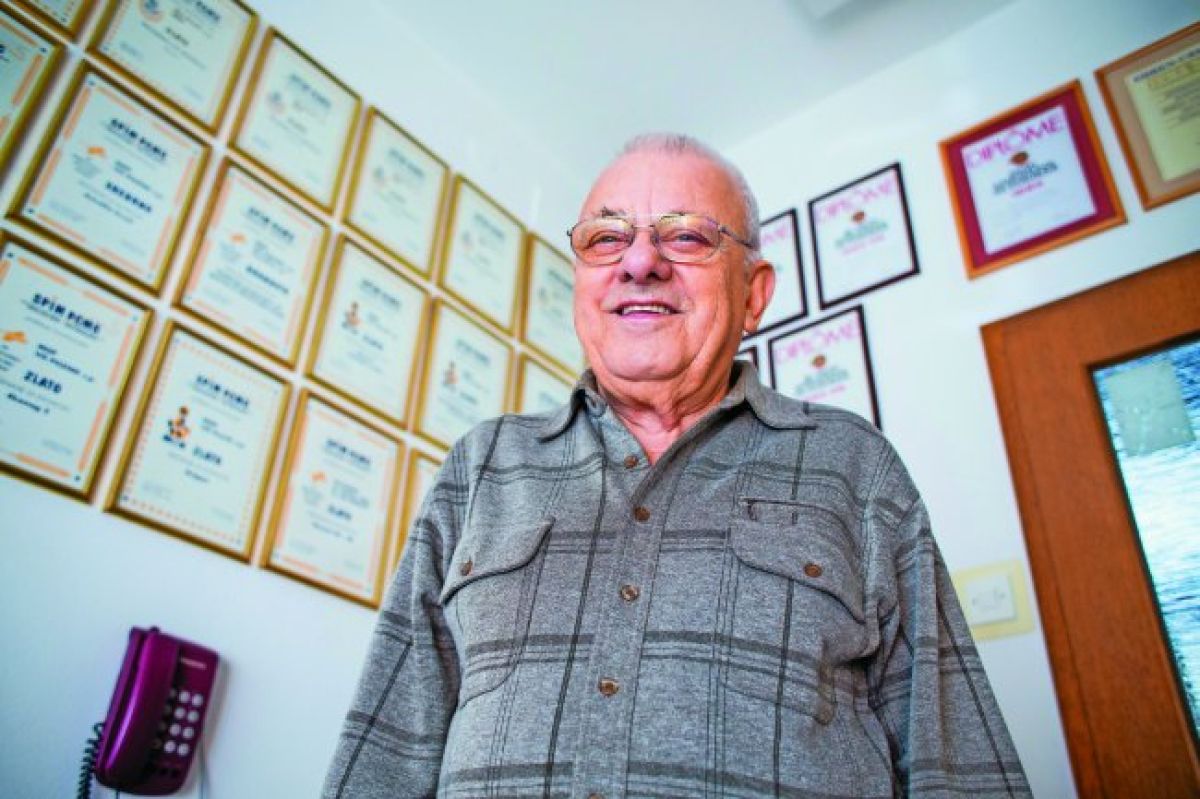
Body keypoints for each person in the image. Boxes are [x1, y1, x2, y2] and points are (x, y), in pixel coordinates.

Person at [322, 134, 1030, 798]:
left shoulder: (854, 464)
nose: (639, 262)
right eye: (606, 237)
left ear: (753, 293)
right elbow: (388, 745)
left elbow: (957, 759)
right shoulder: (482, 465)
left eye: (686, 235)